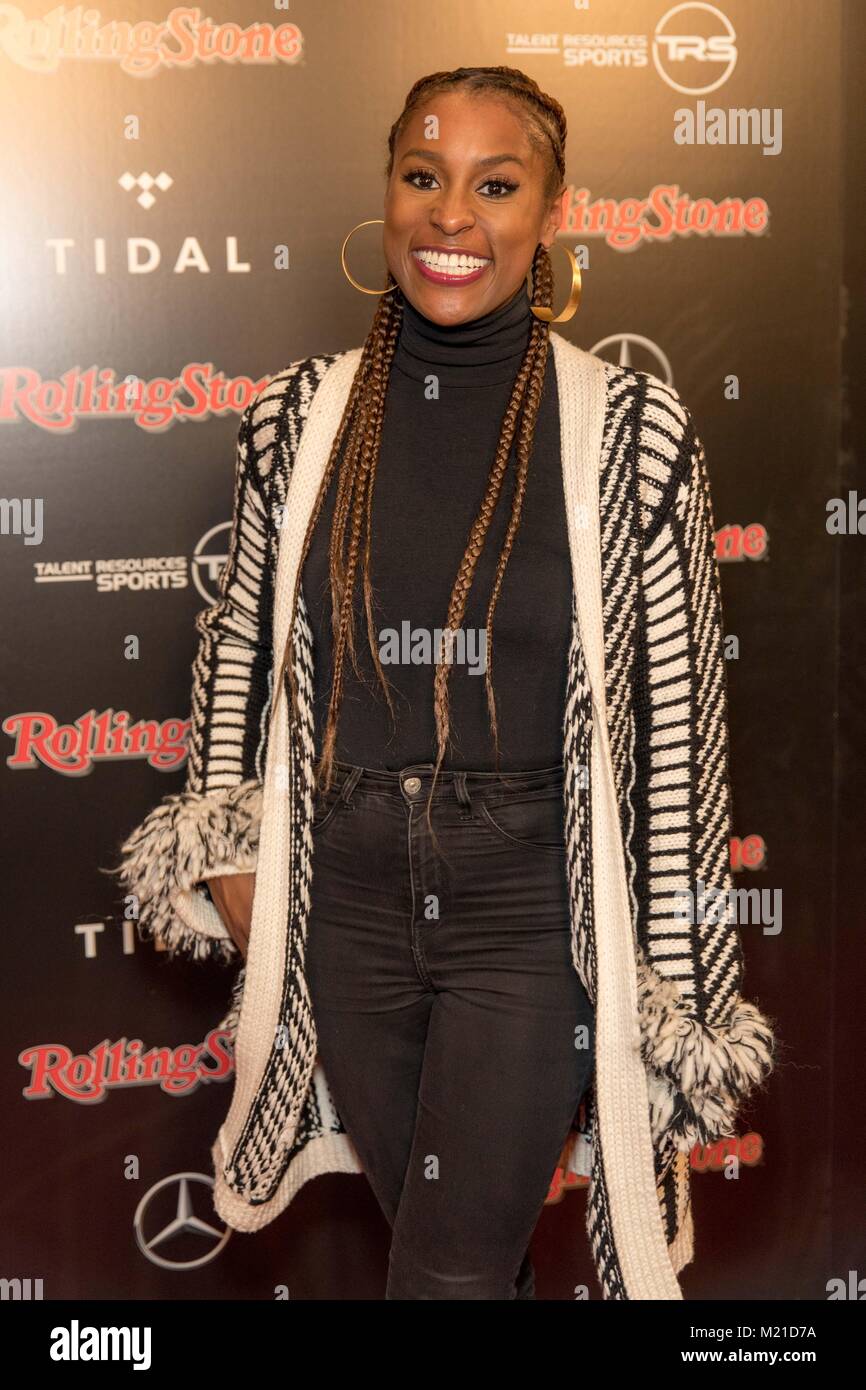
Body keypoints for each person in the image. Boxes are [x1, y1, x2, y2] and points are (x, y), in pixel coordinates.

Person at [113, 66, 776, 1301]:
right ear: (387, 194)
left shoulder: (629, 429)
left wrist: (670, 978)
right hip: (346, 891)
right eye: (423, 178)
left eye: (495, 184)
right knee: (441, 1239)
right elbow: (239, 650)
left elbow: (679, 714)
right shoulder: (295, 417)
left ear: (552, 209)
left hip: (528, 905)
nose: (451, 217)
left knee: (447, 1268)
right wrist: (241, 869)